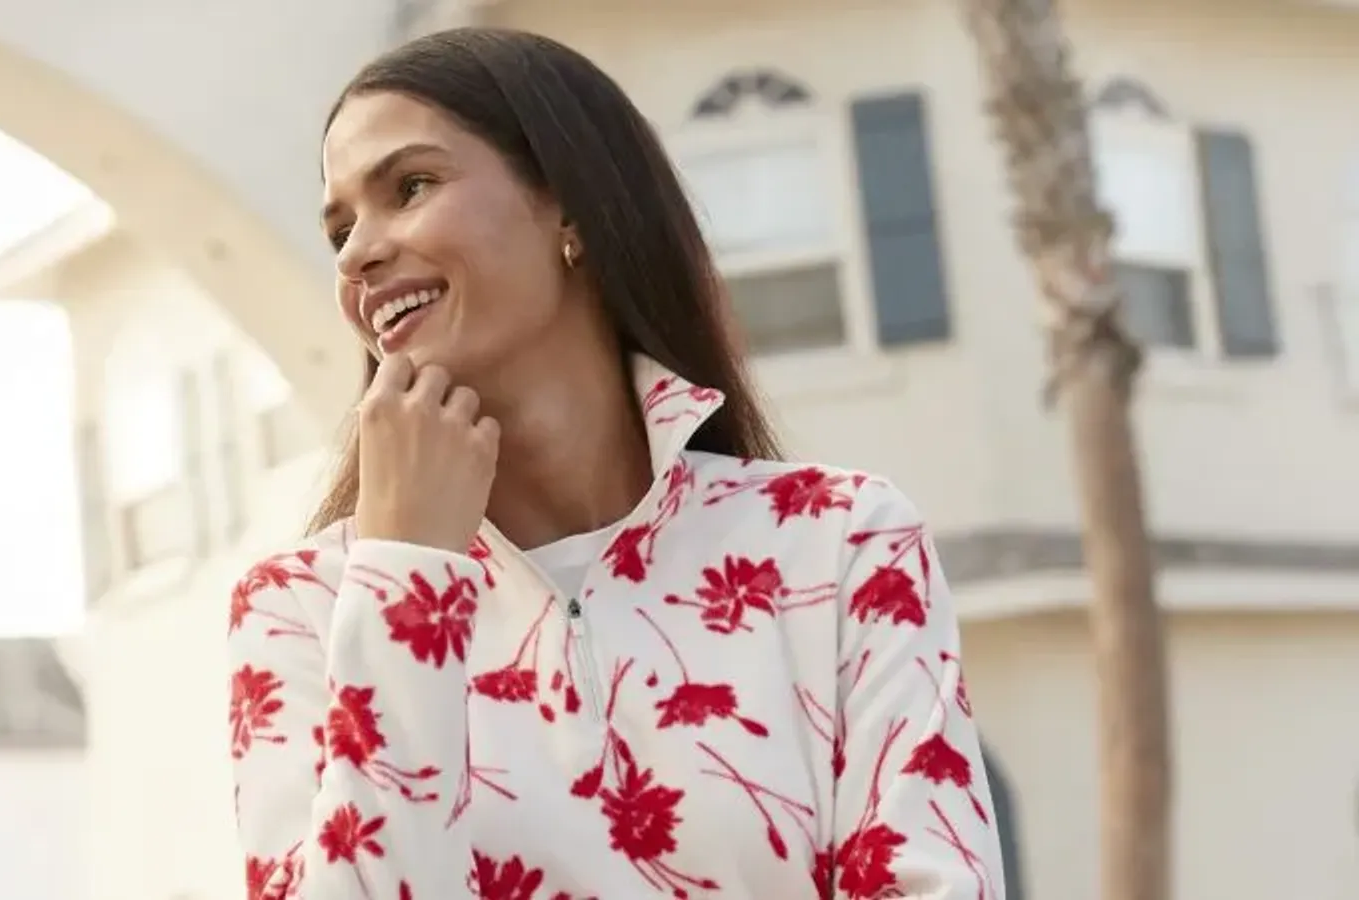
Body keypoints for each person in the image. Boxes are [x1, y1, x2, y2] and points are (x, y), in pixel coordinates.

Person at [227, 26, 1005, 900]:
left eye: (410, 187)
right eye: (339, 229)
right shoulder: (302, 610)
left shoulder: (840, 547)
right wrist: (408, 579)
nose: (359, 254)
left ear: (570, 209)